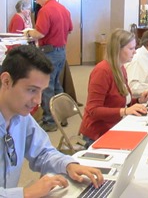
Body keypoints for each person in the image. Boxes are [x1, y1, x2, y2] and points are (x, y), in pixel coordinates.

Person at [0, 45, 103, 197]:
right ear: (6, 81)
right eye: (32, 90)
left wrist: (68, 164)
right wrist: (25, 193)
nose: (38, 101)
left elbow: (43, 152)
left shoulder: (22, 117)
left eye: (42, 91)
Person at [80, 29, 148, 145]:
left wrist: (138, 101)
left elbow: (118, 102)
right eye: (131, 48)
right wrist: (125, 111)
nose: (135, 52)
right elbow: (94, 110)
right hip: (99, 132)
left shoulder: (121, 68)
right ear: (118, 49)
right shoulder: (102, 71)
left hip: (115, 125)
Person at [25, 0, 73, 132]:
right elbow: (70, 29)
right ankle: (62, 117)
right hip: (61, 51)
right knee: (57, 85)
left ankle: (50, 121)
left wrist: (28, 33)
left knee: (46, 86)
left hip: (49, 52)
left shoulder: (45, 10)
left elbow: (40, 33)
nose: (36, 1)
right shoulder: (63, 9)